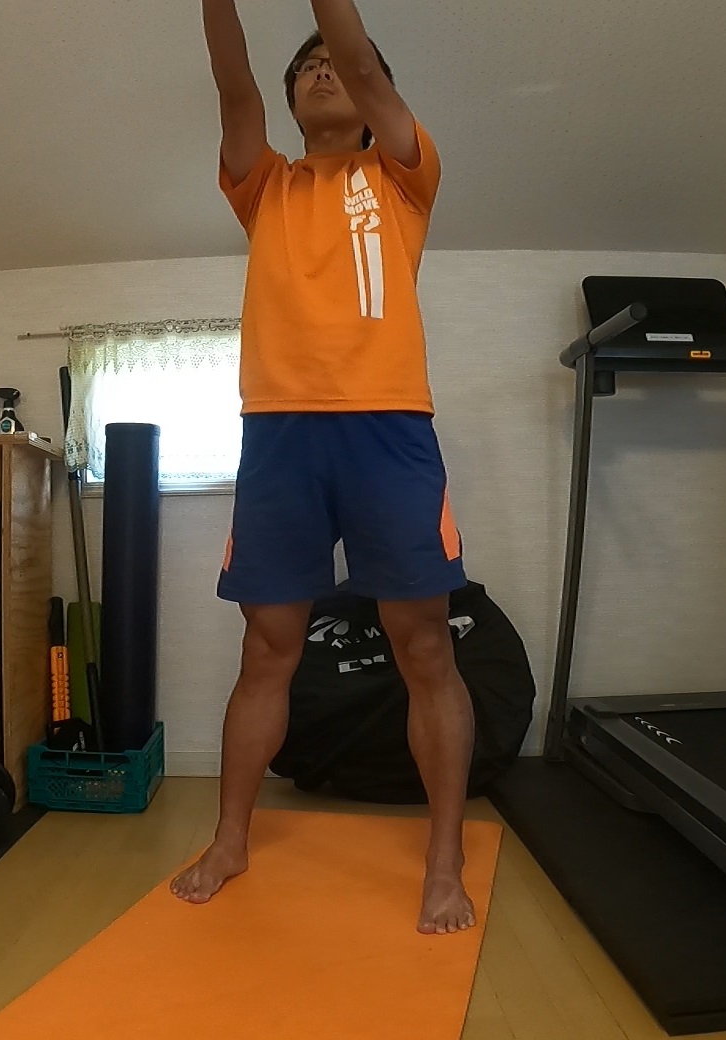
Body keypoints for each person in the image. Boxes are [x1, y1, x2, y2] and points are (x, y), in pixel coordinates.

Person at [170, 0, 477, 935]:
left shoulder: (401, 174)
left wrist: (338, 37)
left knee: (424, 646)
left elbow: (365, 66)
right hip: (280, 437)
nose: (319, 70)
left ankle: (444, 858)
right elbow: (233, 88)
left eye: (331, 61)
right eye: (303, 67)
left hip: (388, 430)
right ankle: (230, 840)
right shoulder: (264, 185)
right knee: (267, 649)